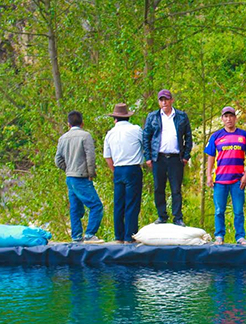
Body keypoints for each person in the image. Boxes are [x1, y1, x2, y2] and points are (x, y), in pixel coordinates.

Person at [142, 89, 193, 226]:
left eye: (166, 99)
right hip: (158, 158)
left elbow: (188, 136)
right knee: (159, 188)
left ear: (171, 100)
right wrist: (148, 156)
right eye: (161, 100)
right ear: (159, 102)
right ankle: (162, 216)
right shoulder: (152, 117)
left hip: (176, 158)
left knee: (176, 188)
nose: (164, 102)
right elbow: (146, 137)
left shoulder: (181, 116)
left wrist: (186, 156)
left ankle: (177, 217)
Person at [206, 106, 246, 245]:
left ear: (235, 118)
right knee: (219, 210)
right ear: (222, 119)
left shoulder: (243, 135)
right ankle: (219, 236)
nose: (228, 119)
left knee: (238, 210)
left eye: (231, 116)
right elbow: (210, 156)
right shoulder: (216, 136)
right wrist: (209, 175)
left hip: (237, 180)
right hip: (220, 180)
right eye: (225, 117)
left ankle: (240, 236)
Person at [55, 111, 104, 243]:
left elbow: (58, 159)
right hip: (81, 176)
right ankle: (89, 234)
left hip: (70, 177)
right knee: (96, 206)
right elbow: (90, 156)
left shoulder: (63, 138)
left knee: (75, 208)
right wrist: (91, 173)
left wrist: (67, 168)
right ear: (82, 123)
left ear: (68, 124)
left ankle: (76, 236)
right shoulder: (85, 136)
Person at [103, 103, 144, 244]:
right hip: (132, 168)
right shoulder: (136, 130)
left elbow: (107, 157)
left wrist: (114, 170)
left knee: (119, 204)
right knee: (132, 203)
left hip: (118, 169)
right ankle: (129, 236)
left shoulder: (110, 134)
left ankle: (118, 236)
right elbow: (144, 145)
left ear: (115, 119)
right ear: (128, 117)